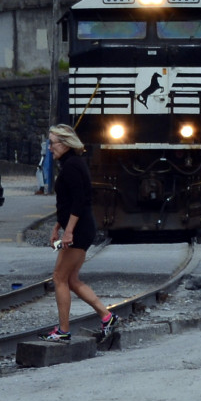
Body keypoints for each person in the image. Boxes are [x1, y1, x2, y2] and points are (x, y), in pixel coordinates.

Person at [39, 124, 118, 342]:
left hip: (80, 230)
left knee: (59, 277)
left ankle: (64, 331)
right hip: (80, 228)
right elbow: (65, 202)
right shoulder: (71, 163)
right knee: (71, 279)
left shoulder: (72, 166)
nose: (50, 148)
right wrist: (58, 226)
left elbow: (79, 201)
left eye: (52, 143)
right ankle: (106, 316)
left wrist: (69, 232)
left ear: (64, 144)